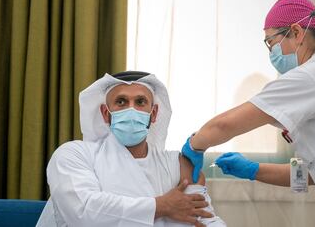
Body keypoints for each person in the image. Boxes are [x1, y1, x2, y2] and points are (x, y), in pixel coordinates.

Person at [182, 0, 315, 226]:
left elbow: (224, 125)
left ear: (297, 32)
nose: (271, 53)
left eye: (271, 42)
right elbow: (314, 172)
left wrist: (194, 145)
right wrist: (253, 169)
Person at [37, 71, 226, 227]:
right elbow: (83, 213)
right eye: (121, 102)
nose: (131, 110)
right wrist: (161, 206)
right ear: (105, 113)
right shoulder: (74, 155)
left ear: (153, 114)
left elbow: (205, 220)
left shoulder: (176, 164)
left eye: (140, 102)